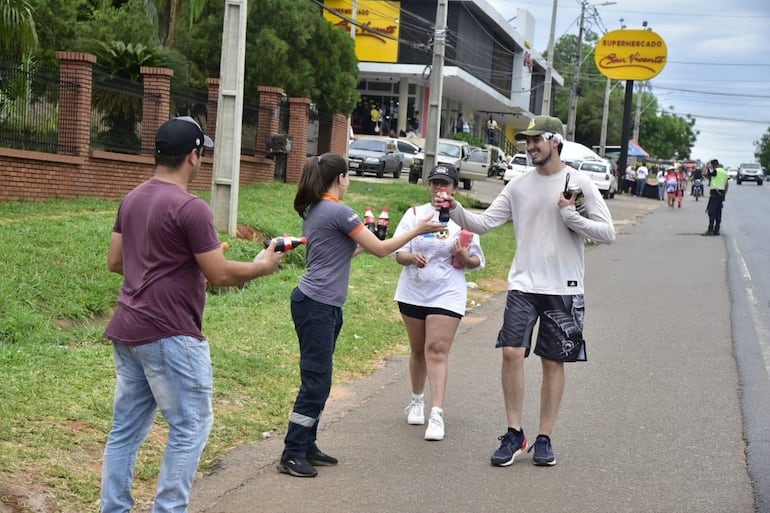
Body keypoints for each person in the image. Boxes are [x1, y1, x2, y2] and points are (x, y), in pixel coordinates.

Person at [100, 116, 286, 513]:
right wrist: (262, 266)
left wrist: (174, 265)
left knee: (125, 431)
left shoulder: (132, 198)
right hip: (171, 334)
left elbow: (117, 262)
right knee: (190, 427)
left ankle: (113, 508)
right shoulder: (191, 207)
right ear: (193, 156)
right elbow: (218, 274)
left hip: (128, 328)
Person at [444, 116, 615, 467]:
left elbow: (607, 232)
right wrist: (456, 209)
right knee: (511, 353)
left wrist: (573, 219)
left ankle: (544, 438)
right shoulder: (518, 186)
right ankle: (514, 432)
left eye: (537, 139)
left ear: (555, 141)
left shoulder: (579, 181)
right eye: (527, 141)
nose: (530, 146)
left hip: (564, 287)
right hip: (523, 283)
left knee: (553, 362)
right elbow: (485, 223)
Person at [278, 153, 444, 478]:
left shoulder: (316, 208)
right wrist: (418, 230)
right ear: (340, 178)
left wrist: (363, 242)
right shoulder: (339, 211)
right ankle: (292, 451)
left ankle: (307, 444)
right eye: (348, 176)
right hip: (318, 305)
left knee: (320, 380)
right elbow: (383, 251)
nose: (349, 181)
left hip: (317, 303)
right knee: (316, 381)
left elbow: (342, 249)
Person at [395, 164, 485, 441]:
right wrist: (412, 258)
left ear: (455, 189)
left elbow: (476, 261)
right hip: (413, 290)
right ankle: (417, 399)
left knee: (436, 349)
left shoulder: (462, 219)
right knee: (418, 350)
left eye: (445, 184)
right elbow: (398, 252)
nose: (439, 189)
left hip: (447, 292)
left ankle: (437, 414)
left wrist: (463, 254)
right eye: (435, 183)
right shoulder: (414, 214)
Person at [704, 158, 729, 236]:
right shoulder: (724, 172)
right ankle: (717, 229)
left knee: (711, 212)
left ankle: (710, 229)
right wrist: (724, 194)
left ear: (713, 165)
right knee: (718, 212)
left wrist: (706, 166)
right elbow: (727, 184)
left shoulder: (715, 171)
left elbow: (704, 174)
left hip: (715, 193)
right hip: (721, 193)